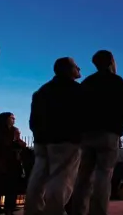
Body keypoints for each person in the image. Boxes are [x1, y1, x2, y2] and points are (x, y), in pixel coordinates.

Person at [70, 50, 123, 215]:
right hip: (109, 133)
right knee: (103, 175)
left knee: (83, 176)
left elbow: (76, 109)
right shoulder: (116, 81)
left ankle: (78, 210)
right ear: (111, 61)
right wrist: (119, 126)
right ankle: (98, 211)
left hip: (86, 134)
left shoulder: (87, 82)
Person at [24, 57, 84, 215]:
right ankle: (54, 211)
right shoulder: (78, 91)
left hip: (42, 141)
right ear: (69, 69)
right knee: (62, 179)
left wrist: (39, 135)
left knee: (38, 177)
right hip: (66, 141)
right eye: (77, 67)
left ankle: (33, 210)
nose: (80, 69)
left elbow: (33, 120)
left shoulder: (41, 92)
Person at [0, 113, 26, 215]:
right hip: (1, 164)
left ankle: (10, 208)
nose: (14, 120)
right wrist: (14, 140)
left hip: (13, 164)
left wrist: (17, 140)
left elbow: (22, 145)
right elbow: (2, 146)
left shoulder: (14, 130)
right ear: (5, 119)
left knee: (12, 187)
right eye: (12, 118)